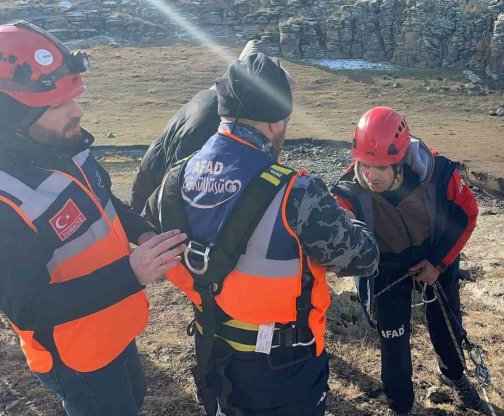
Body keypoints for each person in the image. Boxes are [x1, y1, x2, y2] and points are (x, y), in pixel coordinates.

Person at [144, 53, 379, 416]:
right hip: (283, 369)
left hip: (211, 351)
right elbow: (363, 258)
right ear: (275, 121)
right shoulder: (298, 191)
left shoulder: (176, 176)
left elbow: (152, 230)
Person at [0, 21, 187, 415]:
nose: (77, 112)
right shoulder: (5, 202)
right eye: (57, 105)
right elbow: (27, 309)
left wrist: (146, 233)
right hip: (78, 357)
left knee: (132, 399)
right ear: (10, 120)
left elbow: (104, 201)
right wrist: (131, 274)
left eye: (75, 97)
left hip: (113, 324)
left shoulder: (65, 145)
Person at [333, 107, 484, 416]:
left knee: (446, 325)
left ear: (400, 163)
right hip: (387, 268)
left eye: (382, 168)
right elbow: (334, 230)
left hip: (435, 254)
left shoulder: (438, 174)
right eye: (365, 165)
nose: (372, 176)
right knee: (393, 338)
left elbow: (466, 214)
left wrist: (438, 264)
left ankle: (454, 374)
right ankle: (401, 406)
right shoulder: (349, 190)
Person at [130, 39, 277, 212]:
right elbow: (187, 184)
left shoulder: (213, 100)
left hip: (152, 188)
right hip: (158, 204)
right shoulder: (213, 117)